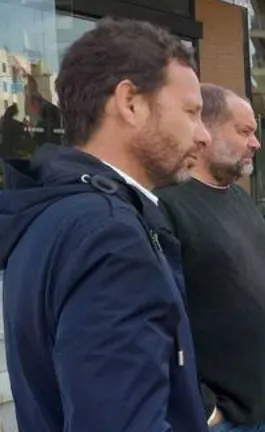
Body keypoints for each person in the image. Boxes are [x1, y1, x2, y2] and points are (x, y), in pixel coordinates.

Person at [0, 19, 209, 431]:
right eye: (191, 112)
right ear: (130, 103)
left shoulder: (52, 212)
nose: (203, 135)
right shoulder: (111, 238)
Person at [157, 84, 265, 432]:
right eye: (244, 131)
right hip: (222, 418)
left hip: (264, 405)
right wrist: (205, 408)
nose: (256, 143)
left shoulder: (239, 198)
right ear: (204, 130)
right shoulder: (168, 206)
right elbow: (160, 321)